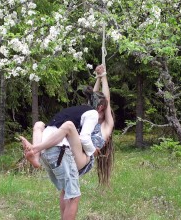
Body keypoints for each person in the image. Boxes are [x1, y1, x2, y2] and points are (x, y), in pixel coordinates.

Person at [20, 64, 114, 219]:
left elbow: (106, 100)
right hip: (73, 154)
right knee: (65, 191)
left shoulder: (105, 126)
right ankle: (37, 156)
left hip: (85, 158)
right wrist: (97, 77)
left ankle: (36, 150)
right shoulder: (90, 116)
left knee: (70, 194)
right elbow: (94, 98)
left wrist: (104, 76)